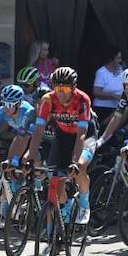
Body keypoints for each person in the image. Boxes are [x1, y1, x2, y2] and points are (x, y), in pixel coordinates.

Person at [26, 67, 95, 222]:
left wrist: (75, 162)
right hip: (63, 136)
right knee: (56, 179)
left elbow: (81, 134)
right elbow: (38, 131)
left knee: (81, 168)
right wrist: (30, 156)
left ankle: (84, 203)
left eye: (64, 88)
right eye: (57, 87)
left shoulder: (82, 100)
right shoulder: (48, 99)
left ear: (73, 87)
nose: (61, 92)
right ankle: (63, 210)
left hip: (85, 135)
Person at [92, 48, 125, 114]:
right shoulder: (101, 72)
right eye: (118, 58)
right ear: (111, 59)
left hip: (118, 107)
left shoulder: (122, 70)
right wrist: (114, 96)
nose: (120, 60)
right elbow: (96, 92)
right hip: (103, 108)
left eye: (121, 58)